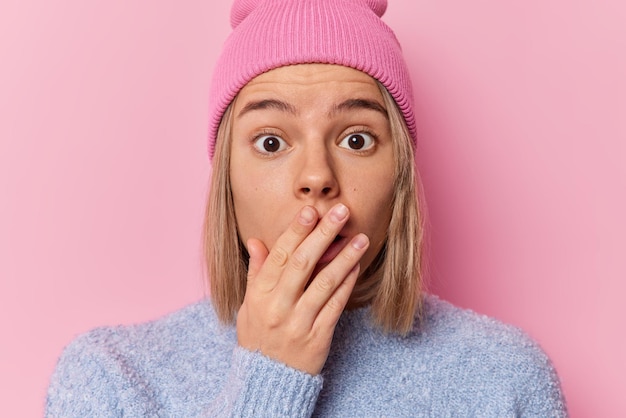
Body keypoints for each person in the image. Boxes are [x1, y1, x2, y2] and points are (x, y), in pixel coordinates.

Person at [46, 0, 567, 416]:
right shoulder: (110, 379)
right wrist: (267, 380)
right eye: (271, 143)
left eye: (357, 139)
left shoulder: (502, 379)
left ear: (401, 174)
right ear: (227, 178)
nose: (317, 177)